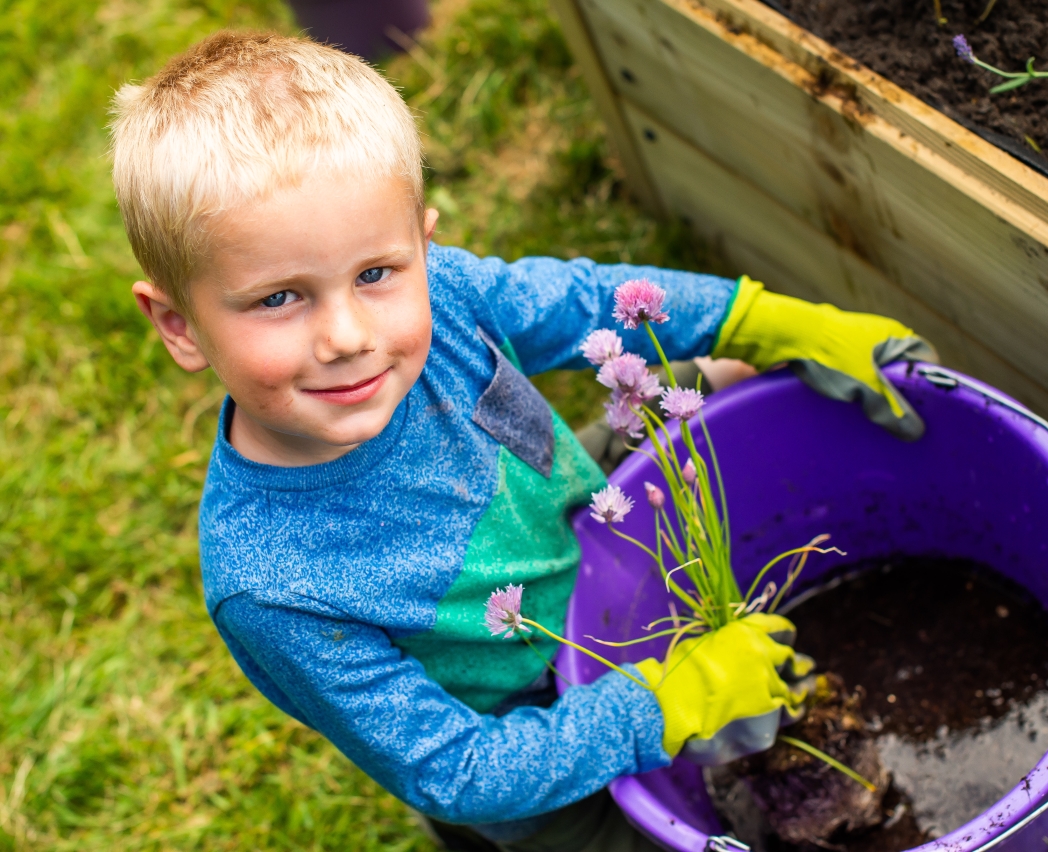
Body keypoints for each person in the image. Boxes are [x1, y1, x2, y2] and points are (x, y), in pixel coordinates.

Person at [108, 31, 935, 852]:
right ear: (178, 326)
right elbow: (461, 770)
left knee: (725, 381)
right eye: (279, 297)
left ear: (423, 247)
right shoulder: (274, 584)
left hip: (576, 521)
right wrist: (665, 704)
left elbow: (587, 302)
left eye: (375, 275)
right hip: (539, 754)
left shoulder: (447, 295)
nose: (347, 335)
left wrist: (759, 319)